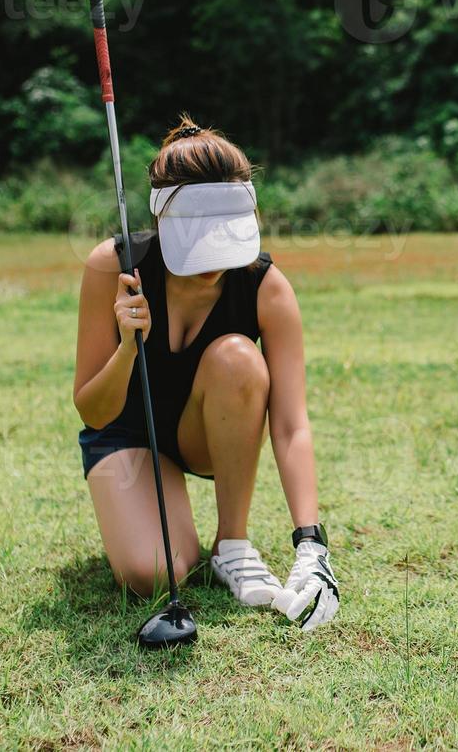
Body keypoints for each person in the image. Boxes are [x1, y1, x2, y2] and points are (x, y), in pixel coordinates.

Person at [72, 115, 338, 631]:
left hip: (206, 434)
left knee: (237, 355)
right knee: (153, 573)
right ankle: (169, 521)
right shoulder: (113, 267)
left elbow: (290, 424)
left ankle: (231, 542)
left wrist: (310, 543)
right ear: (163, 220)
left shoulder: (267, 286)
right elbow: (93, 410)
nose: (216, 258)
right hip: (129, 434)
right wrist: (127, 347)